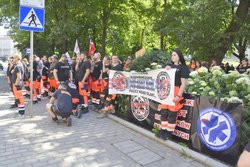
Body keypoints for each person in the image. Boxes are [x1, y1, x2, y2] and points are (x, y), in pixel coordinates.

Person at [156, 49, 190, 140]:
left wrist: (178, 95)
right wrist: (166, 70)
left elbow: (183, 83)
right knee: (164, 112)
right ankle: (163, 130)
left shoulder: (184, 68)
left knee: (172, 114)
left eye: (174, 55)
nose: (172, 56)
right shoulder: (169, 66)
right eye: (172, 55)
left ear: (179, 56)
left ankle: (168, 133)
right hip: (167, 91)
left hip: (176, 91)